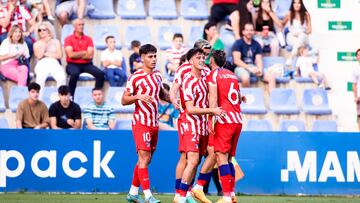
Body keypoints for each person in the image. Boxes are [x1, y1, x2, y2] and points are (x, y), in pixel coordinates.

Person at [121, 44, 170, 203]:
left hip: (154, 123)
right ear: (142, 58)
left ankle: (133, 193)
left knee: (146, 160)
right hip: (141, 122)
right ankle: (148, 195)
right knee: (144, 157)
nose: (154, 59)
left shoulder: (157, 75)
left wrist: (174, 100)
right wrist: (138, 97)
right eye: (150, 56)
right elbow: (124, 100)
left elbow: (161, 92)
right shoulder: (135, 77)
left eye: (155, 56)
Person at [177, 48, 225, 203]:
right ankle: (181, 196)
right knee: (192, 160)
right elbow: (190, 109)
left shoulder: (206, 74)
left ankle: (195, 189)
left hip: (205, 124)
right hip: (190, 123)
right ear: (190, 61)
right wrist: (212, 110)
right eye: (198, 57)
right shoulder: (188, 81)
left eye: (203, 57)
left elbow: (218, 88)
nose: (202, 60)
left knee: (213, 154)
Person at [169, 40, 212, 203]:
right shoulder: (184, 70)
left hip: (202, 119)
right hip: (187, 118)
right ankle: (179, 193)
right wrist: (174, 101)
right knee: (185, 157)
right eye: (203, 53)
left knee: (196, 158)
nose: (205, 57)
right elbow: (174, 90)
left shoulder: (206, 70)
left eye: (207, 54)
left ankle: (186, 192)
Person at [207, 50, 243, 203]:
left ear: (211, 61)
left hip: (224, 119)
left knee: (221, 156)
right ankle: (232, 194)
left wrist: (210, 119)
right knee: (229, 158)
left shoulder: (213, 75)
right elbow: (238, 98)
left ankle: (226, 196)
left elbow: (213, 98)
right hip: (237, 119)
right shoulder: (232, 75)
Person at [64, 18, 104, 97]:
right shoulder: (68, 39)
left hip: (87, 64)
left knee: (100, 74)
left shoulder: (88, 39)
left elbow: (90, 55)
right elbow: (70, 55)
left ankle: (96, 95)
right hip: (72, 64)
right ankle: (71, 96)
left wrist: (77, 55)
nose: (81, 26)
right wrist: (84, 52)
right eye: (79, 25)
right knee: (74, 74)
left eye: (82, 25)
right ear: (74, 26)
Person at [232, 23, 276, 92]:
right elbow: (236, 61)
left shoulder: (256, 44)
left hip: (253, 66)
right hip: (241, 67)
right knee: (245, 77)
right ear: (243, 32)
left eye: (251, 30)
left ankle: (273, 100)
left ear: (254, 32)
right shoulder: (238, 43)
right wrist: (249, 68)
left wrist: (260, 69)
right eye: (247, 30)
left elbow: (259, 60)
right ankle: (248, 100)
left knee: (271, 77)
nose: (249, 32)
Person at [34, 21, 66, 98]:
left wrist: (46, 54)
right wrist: (45, 43)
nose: (42, 32)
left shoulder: (56, 42)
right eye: (39, 30)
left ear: (49, 30)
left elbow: (59, 55)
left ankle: (60, 99)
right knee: (39, 81)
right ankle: (38, 102)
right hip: (42, 63)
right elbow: (39, 56)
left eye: (44, 29)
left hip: (54, 63)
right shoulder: (36, 44)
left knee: (62, 78)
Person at [282, 0, 311, 65]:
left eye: (298, 3)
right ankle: (297, 68)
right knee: (290, 36)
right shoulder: (289, 13)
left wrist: (301, 32)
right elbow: (281, 24)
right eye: (295, 3)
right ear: (292, 4)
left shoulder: (306, 14)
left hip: (303, 37)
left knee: (302, 36)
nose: (296, 5)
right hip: (292, 36)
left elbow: (309, 30)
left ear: (301, 4)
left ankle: (291, 57)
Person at [352, 48, 360, 131]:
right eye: (358, 55)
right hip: (359, 97)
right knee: (359, 116)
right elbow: (354, 84)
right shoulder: (355, 70)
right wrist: (356, 96)